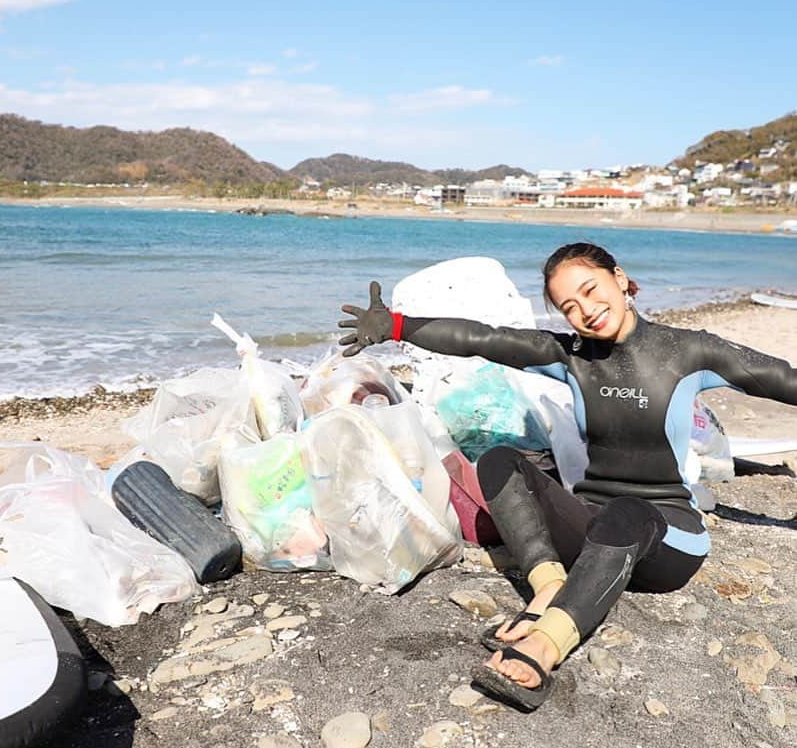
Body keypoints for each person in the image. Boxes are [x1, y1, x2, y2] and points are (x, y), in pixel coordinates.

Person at [338, 242, 797, 711]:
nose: (587, 312)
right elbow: (481, 338)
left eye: (591, 290)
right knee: (499, 460)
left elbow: (781, 379)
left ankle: (545, 645)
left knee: (627, 513)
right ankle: (551, 588)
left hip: (667, 537)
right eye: (569, 307)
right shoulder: (569, 357)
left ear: (619, 279)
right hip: (593, 528)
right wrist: (397, 327)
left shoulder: (690, 350)